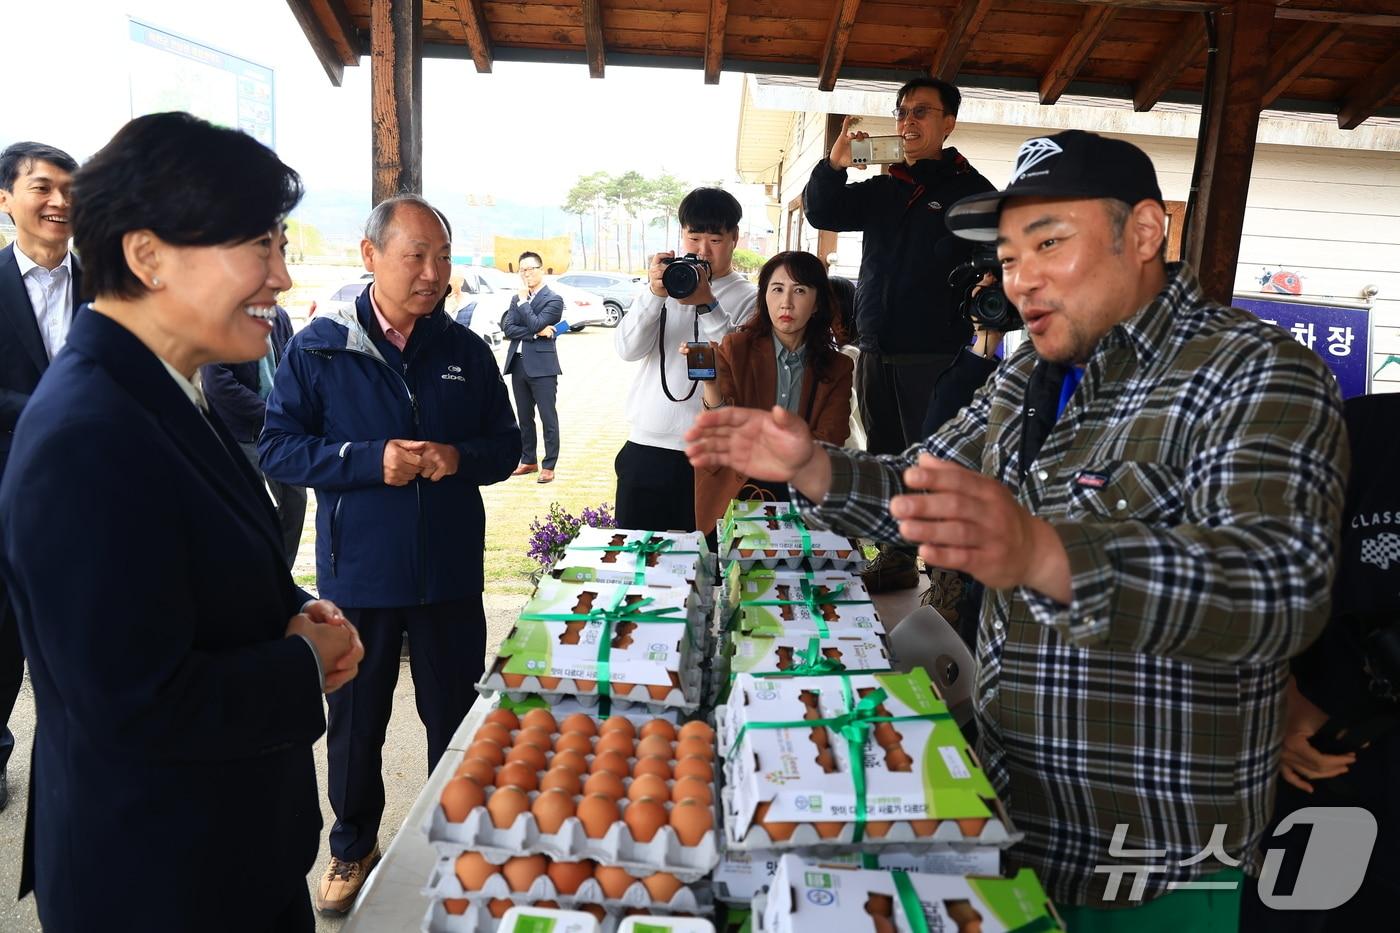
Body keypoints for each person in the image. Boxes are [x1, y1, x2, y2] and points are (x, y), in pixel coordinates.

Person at [687, 129, 1348, 924]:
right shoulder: (1028, 375)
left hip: (1150, 861)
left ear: (1143, 232)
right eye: (1006, 256)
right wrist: (817, 468)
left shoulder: (1253, 372)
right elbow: (920, 478)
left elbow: (1276, 590)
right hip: (1000, 820)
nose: (1021, 278)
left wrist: (1045, 550)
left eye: (1048, 242)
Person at [0, 112, 364, 932]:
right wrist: (299, 663)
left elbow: (178, 573)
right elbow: (135, 702)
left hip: (222, 858)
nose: (280, 276)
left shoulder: (162, 386)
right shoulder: (86, 434)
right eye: (259, 246)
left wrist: (288, 605)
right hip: (161, 884)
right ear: (147, 254)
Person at [260, 193, 521, 914]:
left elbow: (507, 447)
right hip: (360, 573)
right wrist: (367, 458)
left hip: (447, 575)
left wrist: (455, 455)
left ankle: (453, 845)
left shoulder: (464, 349)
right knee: (354, 725)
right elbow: (280, 446)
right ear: (370, 255)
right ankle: (352, 847)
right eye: (416, 256)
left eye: (442, 257)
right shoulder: (319, 346)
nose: (433, 272)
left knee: (454, 720)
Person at [802, 77, 995, 592]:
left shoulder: (972, 193)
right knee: (888, 459)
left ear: (948, 122)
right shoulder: (889, 187)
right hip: (877, 349)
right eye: (903, 113)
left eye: (923, 113)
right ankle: (896, 557)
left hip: (936, 356)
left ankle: (952, 581)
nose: (909, 122)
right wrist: (835, 163)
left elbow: (996, 263)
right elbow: (823, 210)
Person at [0, 141, 80, 815]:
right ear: (7, 200)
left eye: (69, 189)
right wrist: (58, 409)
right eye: (42, 187)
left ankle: (83, 762)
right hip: (8, 495)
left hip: (95, 501)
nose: (59, 201)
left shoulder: (110, 287)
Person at [613, 187, 757, 532]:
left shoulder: (750, 298)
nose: (703, 250)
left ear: (735, 238)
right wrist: (653, 295)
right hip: (646, 446)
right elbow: (627, 349)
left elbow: (741, 364)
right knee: (639, 564)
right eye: (694, 238)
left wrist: (708, 303)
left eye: (715, 240)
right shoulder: (666, 284)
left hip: (710, 458)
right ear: (682, 236)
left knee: (706, 568)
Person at [683, 250, 852, 537]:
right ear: (764, 298)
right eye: (777, 289)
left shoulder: (838, 366)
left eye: (799, 290)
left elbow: (831, 440)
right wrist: (710, 385)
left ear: (816, 304)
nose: (786, 302)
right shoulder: (735, 349)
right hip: (735, 493)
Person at [201, 302, 307, 564]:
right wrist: (271, 412)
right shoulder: (222, 319)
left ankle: (280, 570)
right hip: (238, 431)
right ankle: (252, 572)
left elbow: (292, 368)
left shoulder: (279, 316)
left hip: (279, 430)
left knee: (296, 500)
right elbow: (218, 384)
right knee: (252, 506)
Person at [501, 250, 564, 484]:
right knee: (524, 417)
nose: (526, 273)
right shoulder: (517, 296)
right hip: (518, 365)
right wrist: (536, 332)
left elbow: (538, 321)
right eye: (522, 270)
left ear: (541, 269)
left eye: (530, 269)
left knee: (548, 416)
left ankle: (549, 465)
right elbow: (509, 328)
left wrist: (525, 305)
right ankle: (528, 460)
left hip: (543, 367)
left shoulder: (553, 299)